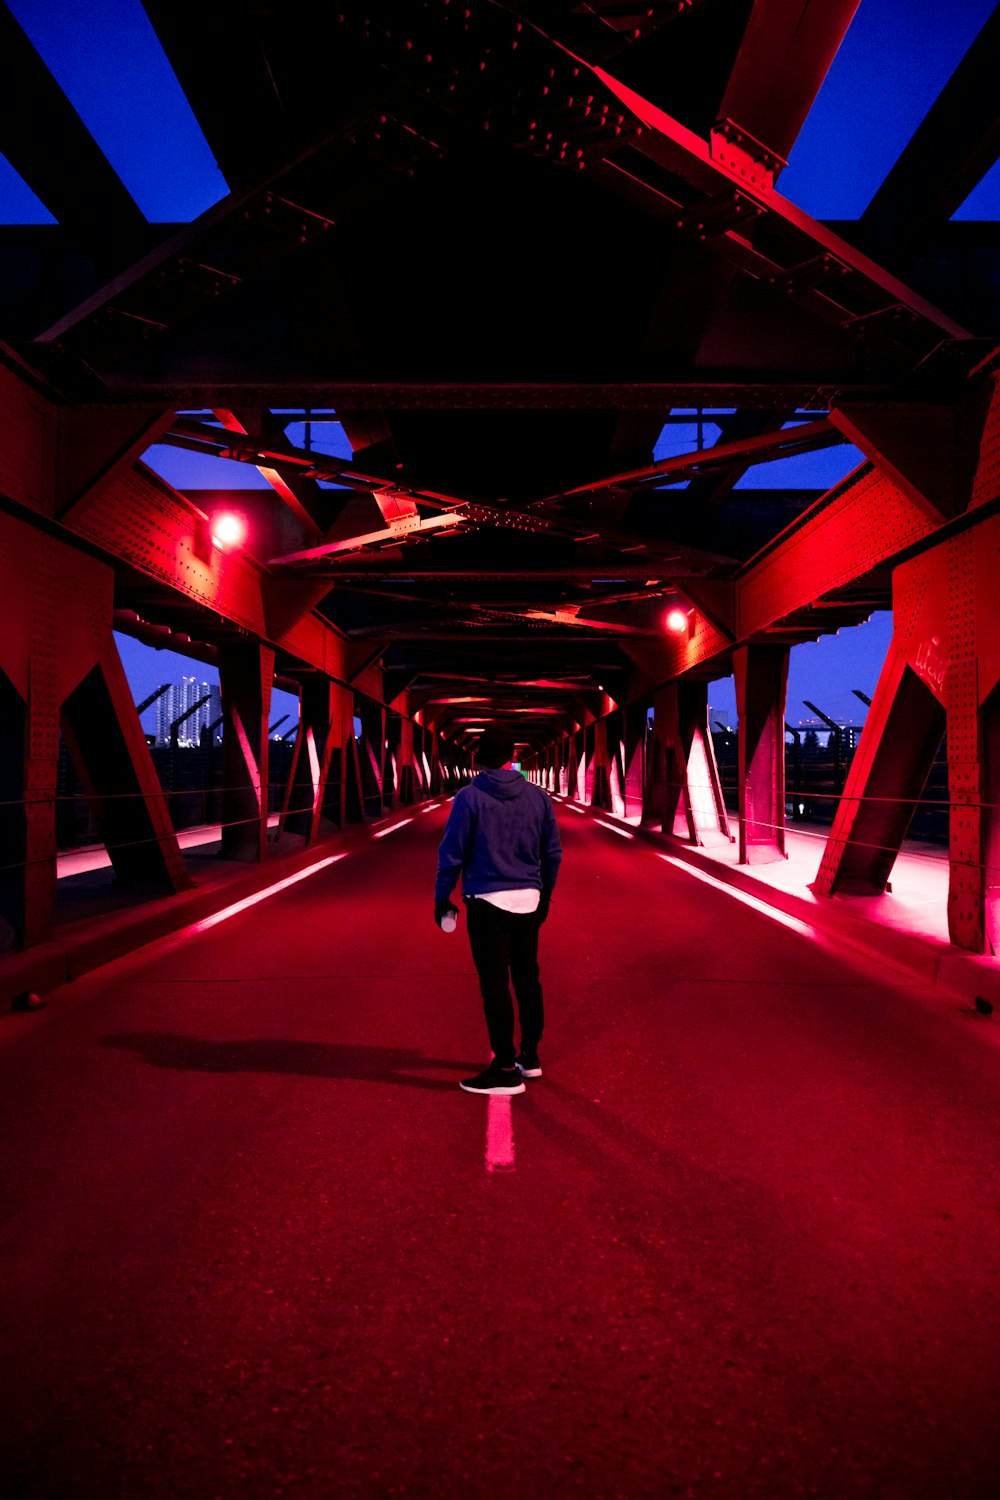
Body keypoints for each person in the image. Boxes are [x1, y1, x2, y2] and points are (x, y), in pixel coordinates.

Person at [435, 724, 562, 1095]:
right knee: (528, 979)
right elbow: (552, 853)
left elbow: (452, 854)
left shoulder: (469, 798)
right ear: (512, 757)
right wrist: (545, 894)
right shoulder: (538, 798)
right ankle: (530, 1058)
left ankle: (505, 1068)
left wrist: (443, 897)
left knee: (495, 985)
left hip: (487, 902)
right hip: (529, 900)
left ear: (478, 757)